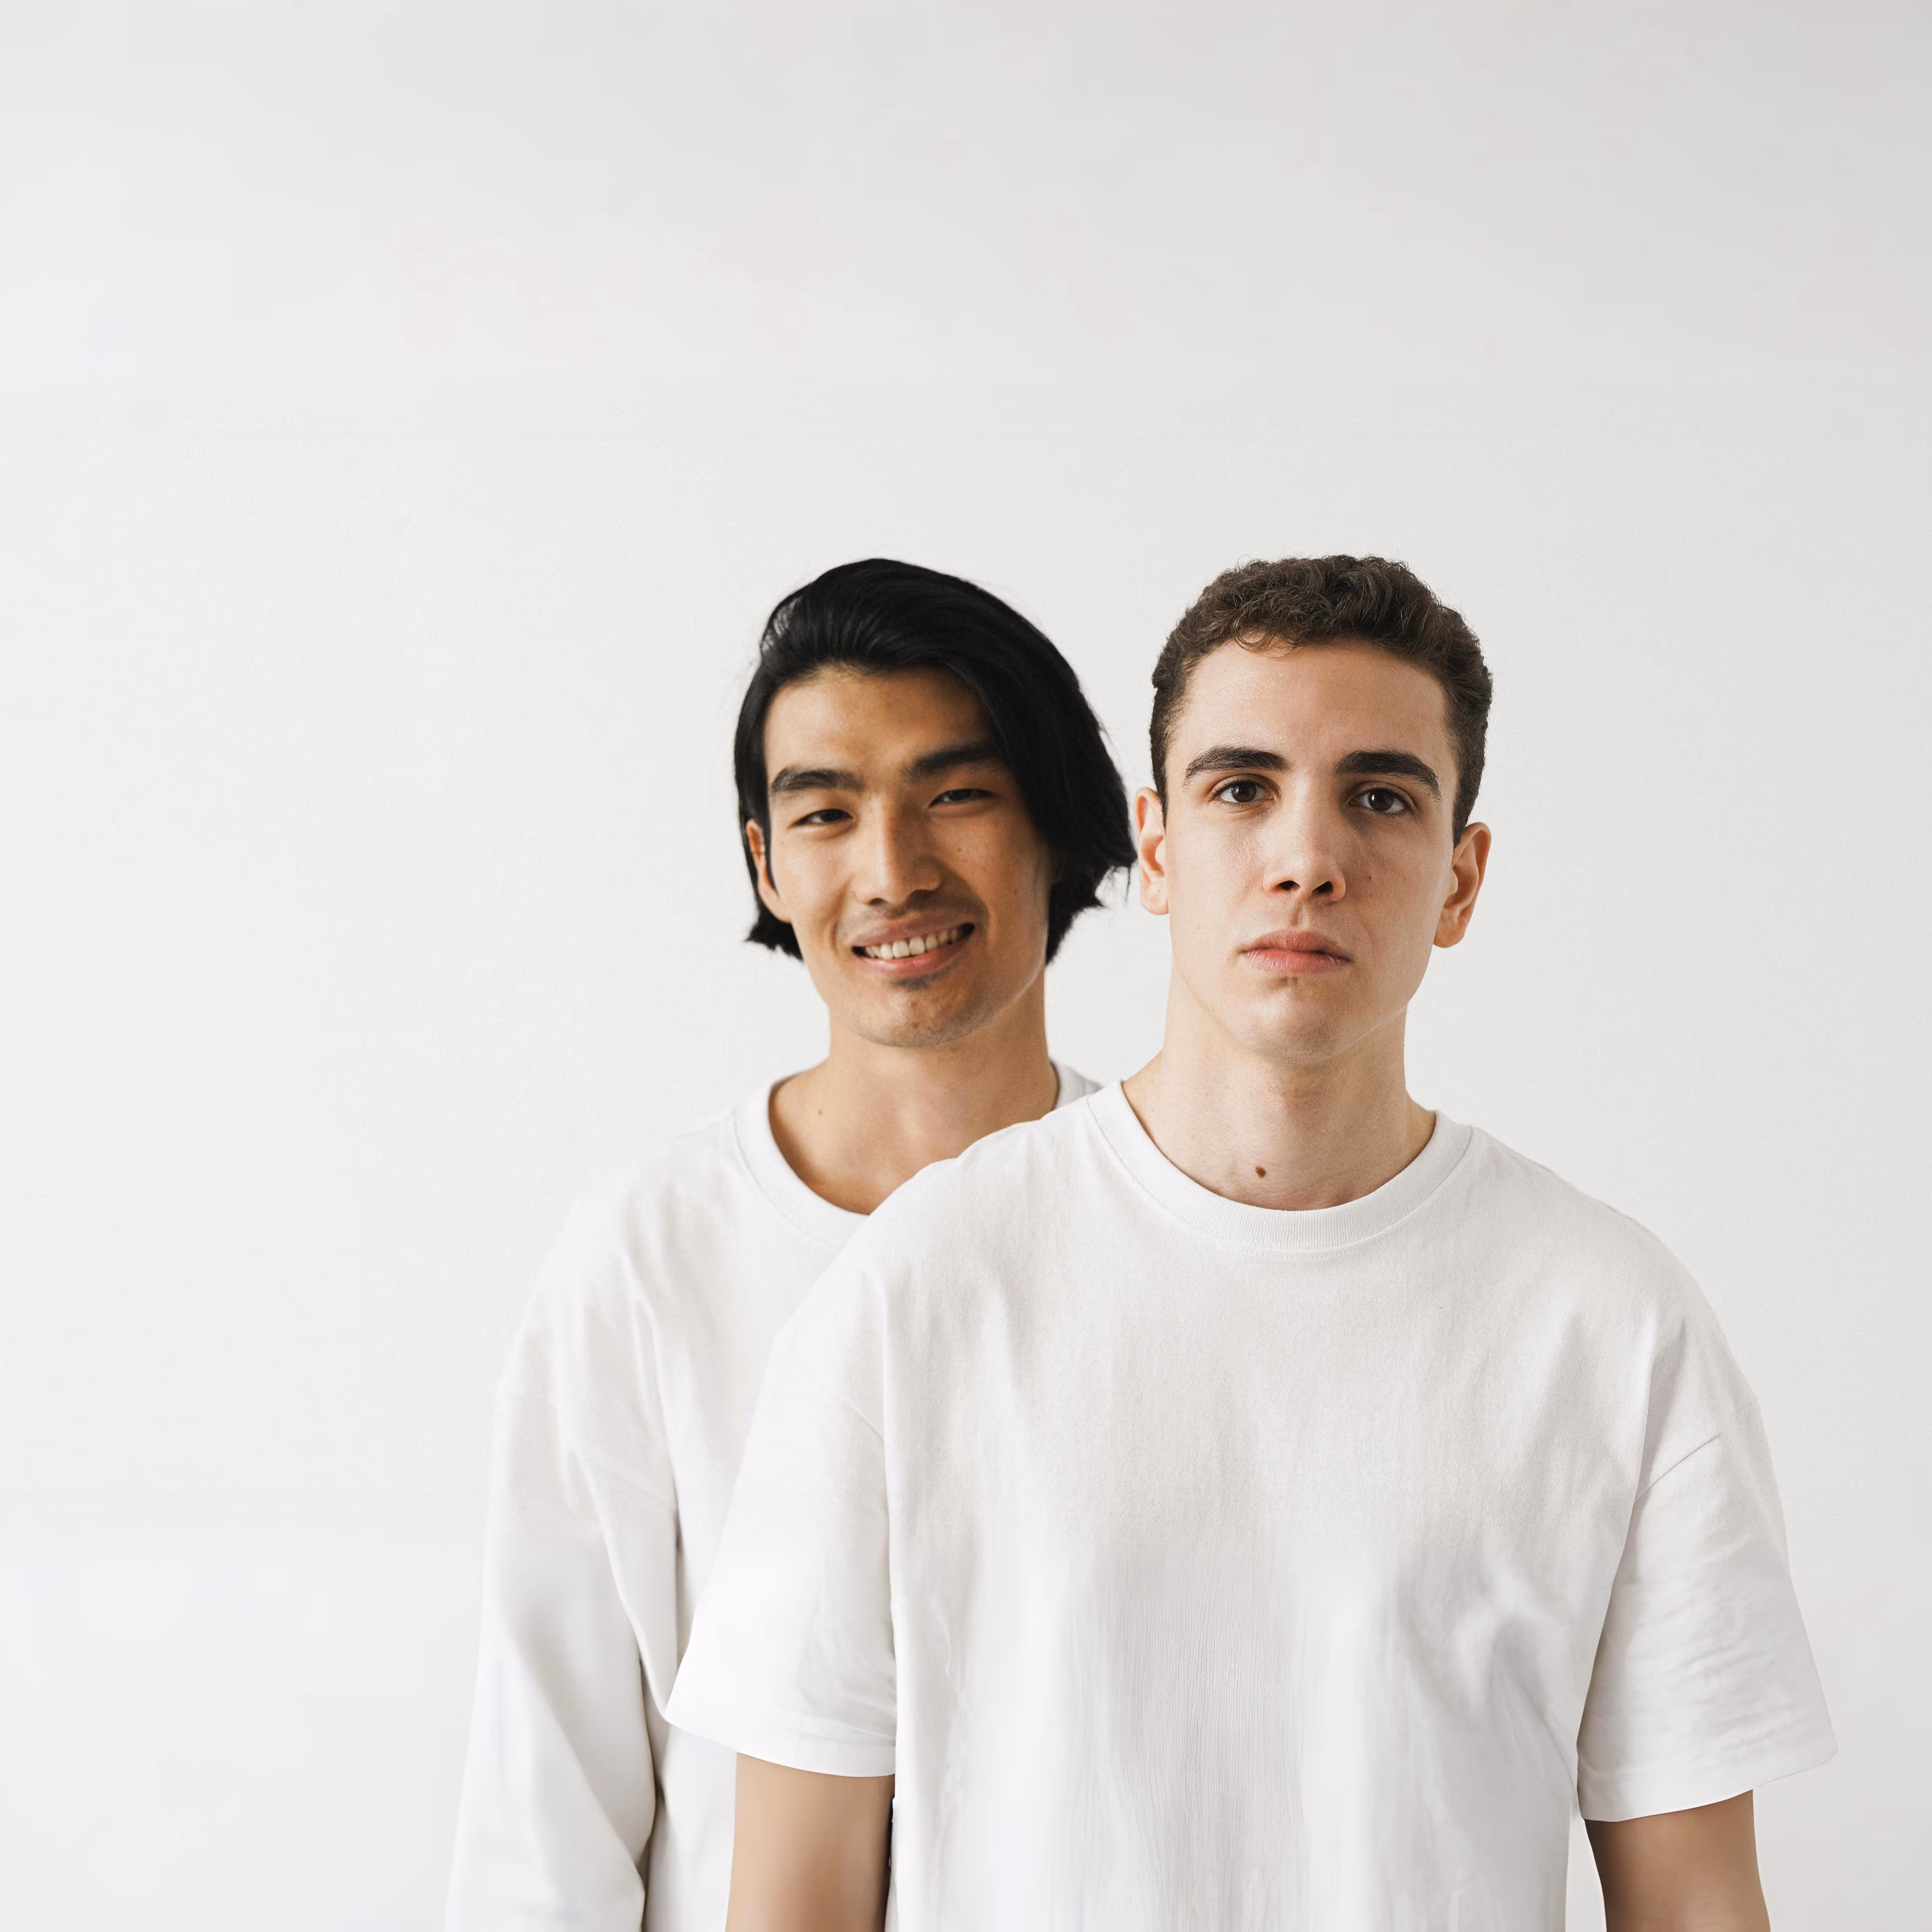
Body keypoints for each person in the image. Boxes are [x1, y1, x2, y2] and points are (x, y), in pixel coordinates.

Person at [668, 556, 1835, 1931]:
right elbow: (792, 1898)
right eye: (1240, 789)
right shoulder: (916, 1291)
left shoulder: (1611, 1323)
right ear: (1157, 852)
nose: (1305, 857)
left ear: (1459, 880)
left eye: (1380, 797)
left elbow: (1695, 1900)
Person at [444, 558, 1135, 1930]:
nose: (892, 870)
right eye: (824, 810)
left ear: (1056, 824)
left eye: (955, 793)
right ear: (767, 858)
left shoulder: (1174, 1231)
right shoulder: (645, 1257)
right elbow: (548, 1795)